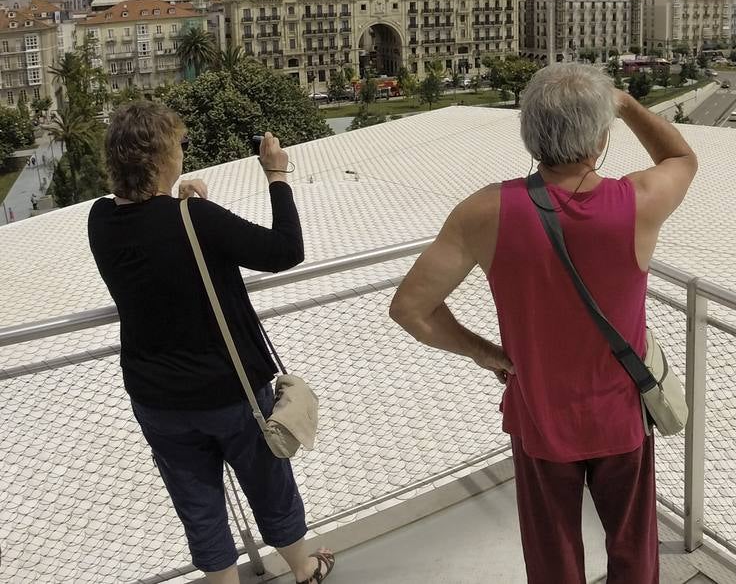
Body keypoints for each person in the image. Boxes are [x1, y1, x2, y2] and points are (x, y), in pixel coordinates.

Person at [390, 62, 698, 584]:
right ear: (600, 138)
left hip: (539, 415)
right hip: (619, 415)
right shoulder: (635, 203)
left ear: (529, 134)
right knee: (633, 548)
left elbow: (411, 309)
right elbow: (680, 156)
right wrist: (623, 103)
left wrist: (484, 352)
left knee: (551, 556)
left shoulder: (485, 211)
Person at [86, 102, 333, 584]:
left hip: (155, 396)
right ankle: (304, 569)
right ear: (161, 157)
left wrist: (183, 205)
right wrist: (276, 175)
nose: (183, 153)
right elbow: (286, 250)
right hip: (229, 391)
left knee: (197, 503)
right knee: (268, 486)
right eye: (179, 145)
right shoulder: (193, 219)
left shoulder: (100, 219)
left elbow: (152, 240)